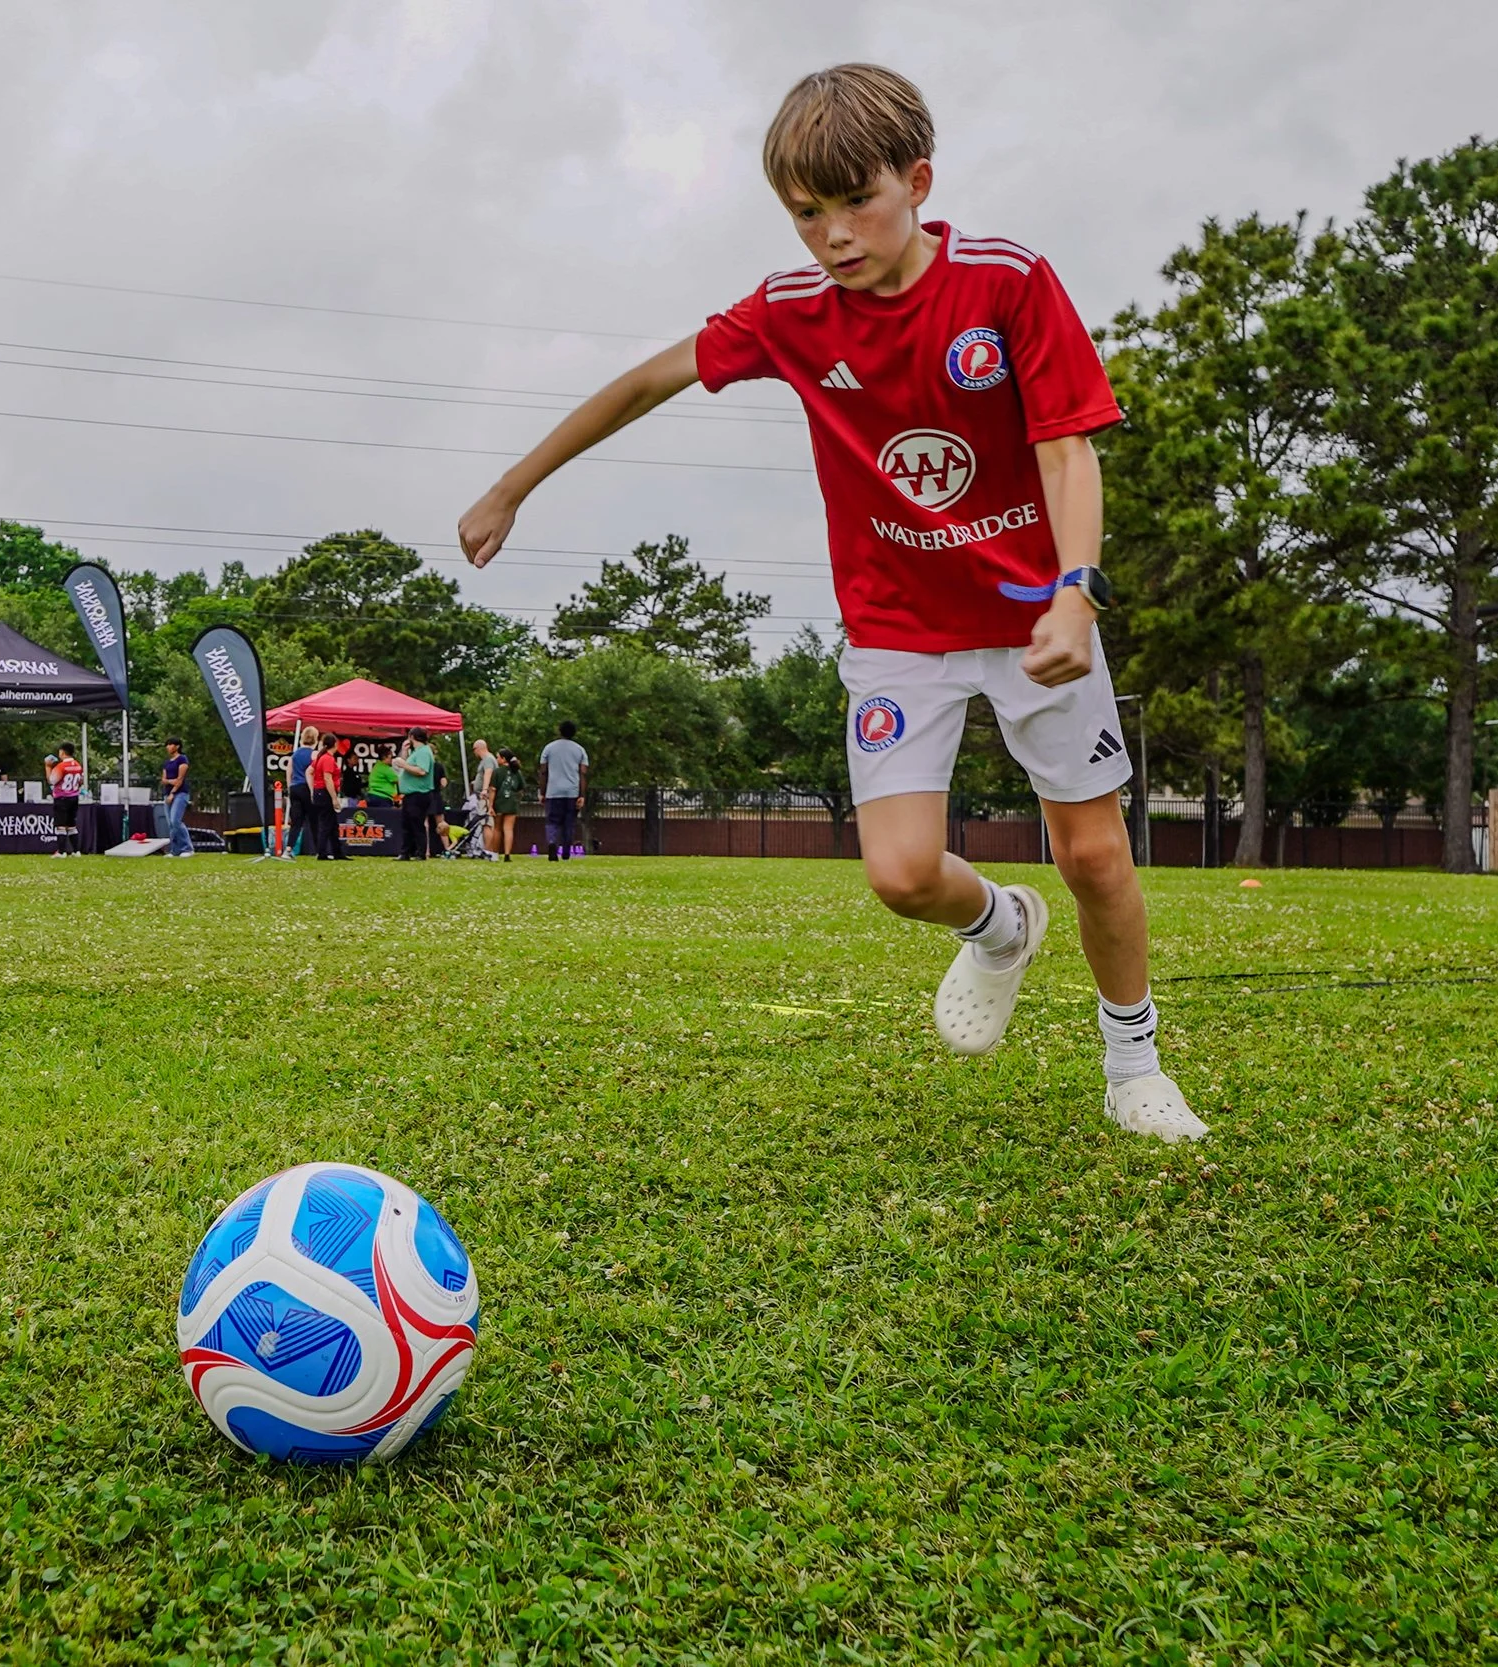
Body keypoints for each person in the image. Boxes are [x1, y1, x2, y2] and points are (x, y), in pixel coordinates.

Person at [455, 64, 1202, 1141]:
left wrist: (1075, 588)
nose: (834, 235)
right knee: (899, 873)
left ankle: (1132, 1062)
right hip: (898, 632)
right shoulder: (791, 313)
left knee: (1092, 853)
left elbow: (1065, 446)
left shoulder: (1006, 284)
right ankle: (999, 927)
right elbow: (644, 383)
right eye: (806, 213)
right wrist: (510, 485)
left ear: (918, 181)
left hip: (1036, 616)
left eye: (858, 201)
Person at [536, 721, 589, 861]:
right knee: (569, 822)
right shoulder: (580, 750)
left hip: (553, 791)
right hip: (572, 791)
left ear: (559, 731)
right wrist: (581, 795)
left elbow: (543, 771)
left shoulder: (549, 748)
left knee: (552, 821)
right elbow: (582, 773)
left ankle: (552, 843)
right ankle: (566, 849)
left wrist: (542, 792)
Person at [395, 726, 436, 861]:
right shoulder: (415, 752)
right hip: (410, 794)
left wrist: (404, 765)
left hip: (419, 794)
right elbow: (405, 764)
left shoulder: (424, 751)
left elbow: (422, 771)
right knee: (406, 824)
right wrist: (404, 751)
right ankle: (405, 852)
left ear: (412, 737)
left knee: (417, 824)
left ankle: (421, 852)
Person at [308, 733, 348, 859]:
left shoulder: (320, 757)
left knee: (331, 824)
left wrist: (313, 788)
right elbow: (327, 778)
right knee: (326, 824)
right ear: (335, 744)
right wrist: (334, 798)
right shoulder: (328, 759)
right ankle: (322, 852)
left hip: (319, 791)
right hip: (325, 793)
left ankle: (337, 852)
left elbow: (309, 771)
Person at [49, 741, 85, 857]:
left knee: (61, 825)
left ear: (62, 752)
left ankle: (61, 851)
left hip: (62, 797)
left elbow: (52, 780)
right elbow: (81, 781)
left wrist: (48, 767)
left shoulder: (61, 766)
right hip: (74, 797)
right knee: (71, 824)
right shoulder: (78, 765)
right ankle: (76, 850)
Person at [160, 736, 193, 857]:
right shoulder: (167, 763)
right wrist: (170, 781)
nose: (168, 747)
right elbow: (163, 780)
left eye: (170, 744)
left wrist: (172, 792)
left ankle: (187, 848)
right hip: (167, 793)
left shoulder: (182, 759)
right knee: (171, 824)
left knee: (176, 821)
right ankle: (175, 850)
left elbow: (180, 780)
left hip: (180, 794)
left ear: (177, 746)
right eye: (167, 745)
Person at [287, 727, 318, 858]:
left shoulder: (294, 755)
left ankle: (288, 848)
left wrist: (290, 788)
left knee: (296, 822)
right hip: (307, 787)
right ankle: (319, 849)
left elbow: (289, 772)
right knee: (314, 820)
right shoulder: (314, 754)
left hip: (294, 788)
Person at [493, 752, 524, 861]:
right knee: (508, 829)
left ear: (503, 759)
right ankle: (507, 854)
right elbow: (521, 788)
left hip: (499, 802)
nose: (496, 759)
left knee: (497, 829)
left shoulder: (497, 772)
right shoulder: (517, 772)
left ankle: (495, 854)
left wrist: (490, 805)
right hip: (512, 802)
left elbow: (493, 789)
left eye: (498, 757)